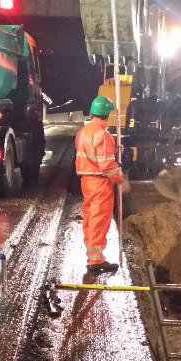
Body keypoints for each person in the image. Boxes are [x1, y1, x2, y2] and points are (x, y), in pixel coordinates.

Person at [75, 96, 130, 273]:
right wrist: (121, 179)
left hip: (86, 181)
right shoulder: (103, 135)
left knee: (91, 218)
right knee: (99, 220)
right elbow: (106, 165)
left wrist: (113, 150)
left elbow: (91, 153)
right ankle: (96, 261)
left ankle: (92, 254)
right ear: (107, 115)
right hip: (99, 183)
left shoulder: (83, 131)